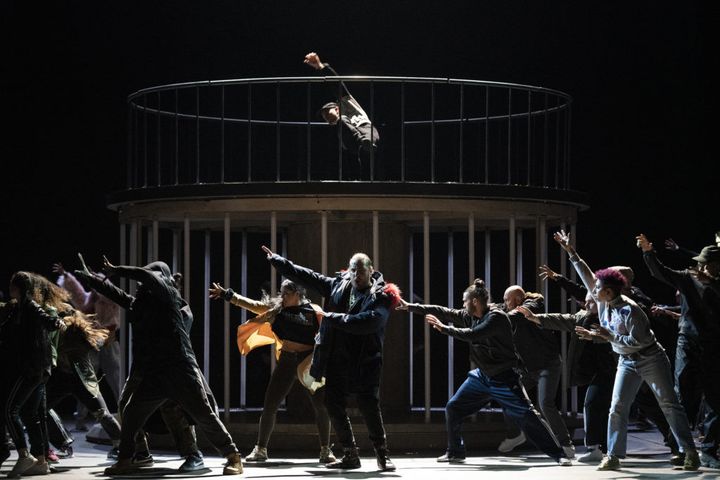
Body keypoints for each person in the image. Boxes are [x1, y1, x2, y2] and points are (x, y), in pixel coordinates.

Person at [77, 259, 242, 476]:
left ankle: (233, 457)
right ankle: (127, 457)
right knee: (131, 413)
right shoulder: (142, 303)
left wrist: (119, 270)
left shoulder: (169, 297)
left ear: (161, 279)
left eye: (149, 276)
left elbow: (147, 277)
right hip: (154, 373)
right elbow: (117, 294)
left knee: (203, 414)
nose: (142, 282)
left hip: (179, 369)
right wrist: (93, 280)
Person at [554, 230, 699, 471]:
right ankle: (613, 455)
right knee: (617, 407)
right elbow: (587, 276)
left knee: (669, 404)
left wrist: (607, 335)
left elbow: (637, 341)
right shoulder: (604, 301)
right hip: (626, 360)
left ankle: (690, 451)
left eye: (598, 288)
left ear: (609, 291)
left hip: (650, 357)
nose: (593, 289)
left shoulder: (631, 311)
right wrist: (571, 252)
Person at [398, 279, 572, 466]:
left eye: (465, 301)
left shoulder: (496, 317)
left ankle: (558, 453)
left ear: (474, 301)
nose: (462, 305)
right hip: (482, 377)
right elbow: (442, 311)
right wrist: (409, 307)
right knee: (453, 408)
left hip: (504, 376)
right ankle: (455, 451)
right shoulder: (468, 315)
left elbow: (473, 335)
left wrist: (444, 328)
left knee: (528, 416)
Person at [263, 246, 398, 471]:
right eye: (353, 270)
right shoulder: (337, 285)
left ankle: (382, 453)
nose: (356, 275)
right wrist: (278, 261)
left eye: (361, 271)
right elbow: (307, 276)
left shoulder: (383, 295)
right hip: (338, 358)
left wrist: (334, 318)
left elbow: (371, 321)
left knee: (369, 406)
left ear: (371, 270)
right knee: (332, 404)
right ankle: (350, 453)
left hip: (366, 360)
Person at [209, 279, 336, 464]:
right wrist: (228, 295)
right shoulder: (279, 309)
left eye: (286, 293)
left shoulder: (314, 311)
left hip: (308, 362)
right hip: (286, 360)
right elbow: (254, 305)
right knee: (270, 404)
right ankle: (261, 449)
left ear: (297, 294)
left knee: (320, 405)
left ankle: (326, 450)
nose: (282, 297)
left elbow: (328, 334)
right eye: (281, 293)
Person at [638, 234, 720, 468]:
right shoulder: (687, 279)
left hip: (714, 346)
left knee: (716, 400)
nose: (703, 267)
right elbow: (660, 272)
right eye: (701, 263)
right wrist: (648, 253)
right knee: (682, 396)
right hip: (688, 343)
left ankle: (709, 450)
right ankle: (681, 448)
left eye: (709, 264)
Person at [516, 290, 617, 463]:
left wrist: (596, 336)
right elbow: (562, 319)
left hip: (618, 368)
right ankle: (596, 448)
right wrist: (536, 318)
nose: (585, 306)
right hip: (598, 372)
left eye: (590, 303)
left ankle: (675, 441)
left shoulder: (612, 317)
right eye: (585, 302)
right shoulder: (583, 318)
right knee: (594, 405)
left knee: (623, 406)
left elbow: (619, 338)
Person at [498, 286, 573, 458]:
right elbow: (492, 310)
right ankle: (516, 434)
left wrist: (497, 319)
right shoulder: (507, 310)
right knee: (507, 396)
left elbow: (518, 314)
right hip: (528, 368)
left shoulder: (533, 304)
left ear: (517, 299)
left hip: (548, 364)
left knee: (545, 403)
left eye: (507, 299)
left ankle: (565, 444)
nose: (504, 303)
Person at [3, 272, 66, 477]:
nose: (10, 290)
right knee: (31, 414)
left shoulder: (30, 306)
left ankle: (23, 455)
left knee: (9, 410)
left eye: (12, 286)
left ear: (17, 288)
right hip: (39, 369)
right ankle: (40, 461)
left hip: (32, 369)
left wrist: (57, 323)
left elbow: (47, 320)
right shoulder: (18, 308)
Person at [304, 52, 379, 180]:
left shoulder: (346, 104)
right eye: (324, 117)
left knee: (346, 123)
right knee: (347, 145)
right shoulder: (341, 130)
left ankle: (365, 145)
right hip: (354, 145)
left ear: (337, 108)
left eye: (327, 113)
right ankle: (358, 177)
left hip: (365, 129)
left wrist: (320, 66)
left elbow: (336, 85)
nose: (326, 117)